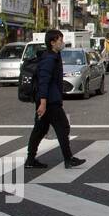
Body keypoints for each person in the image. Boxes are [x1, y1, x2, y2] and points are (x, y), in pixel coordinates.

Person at [26, 30, 85, 169]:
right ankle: (68, 158)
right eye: (60, 40)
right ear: (52, 42)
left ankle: (30, 159)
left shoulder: (54, 56)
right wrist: (43, 102)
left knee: (40, 130)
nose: (62, 43)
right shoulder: (49, 59)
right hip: (50, 102)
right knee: (63, 127)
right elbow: (44, 81)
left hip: (48, 100)